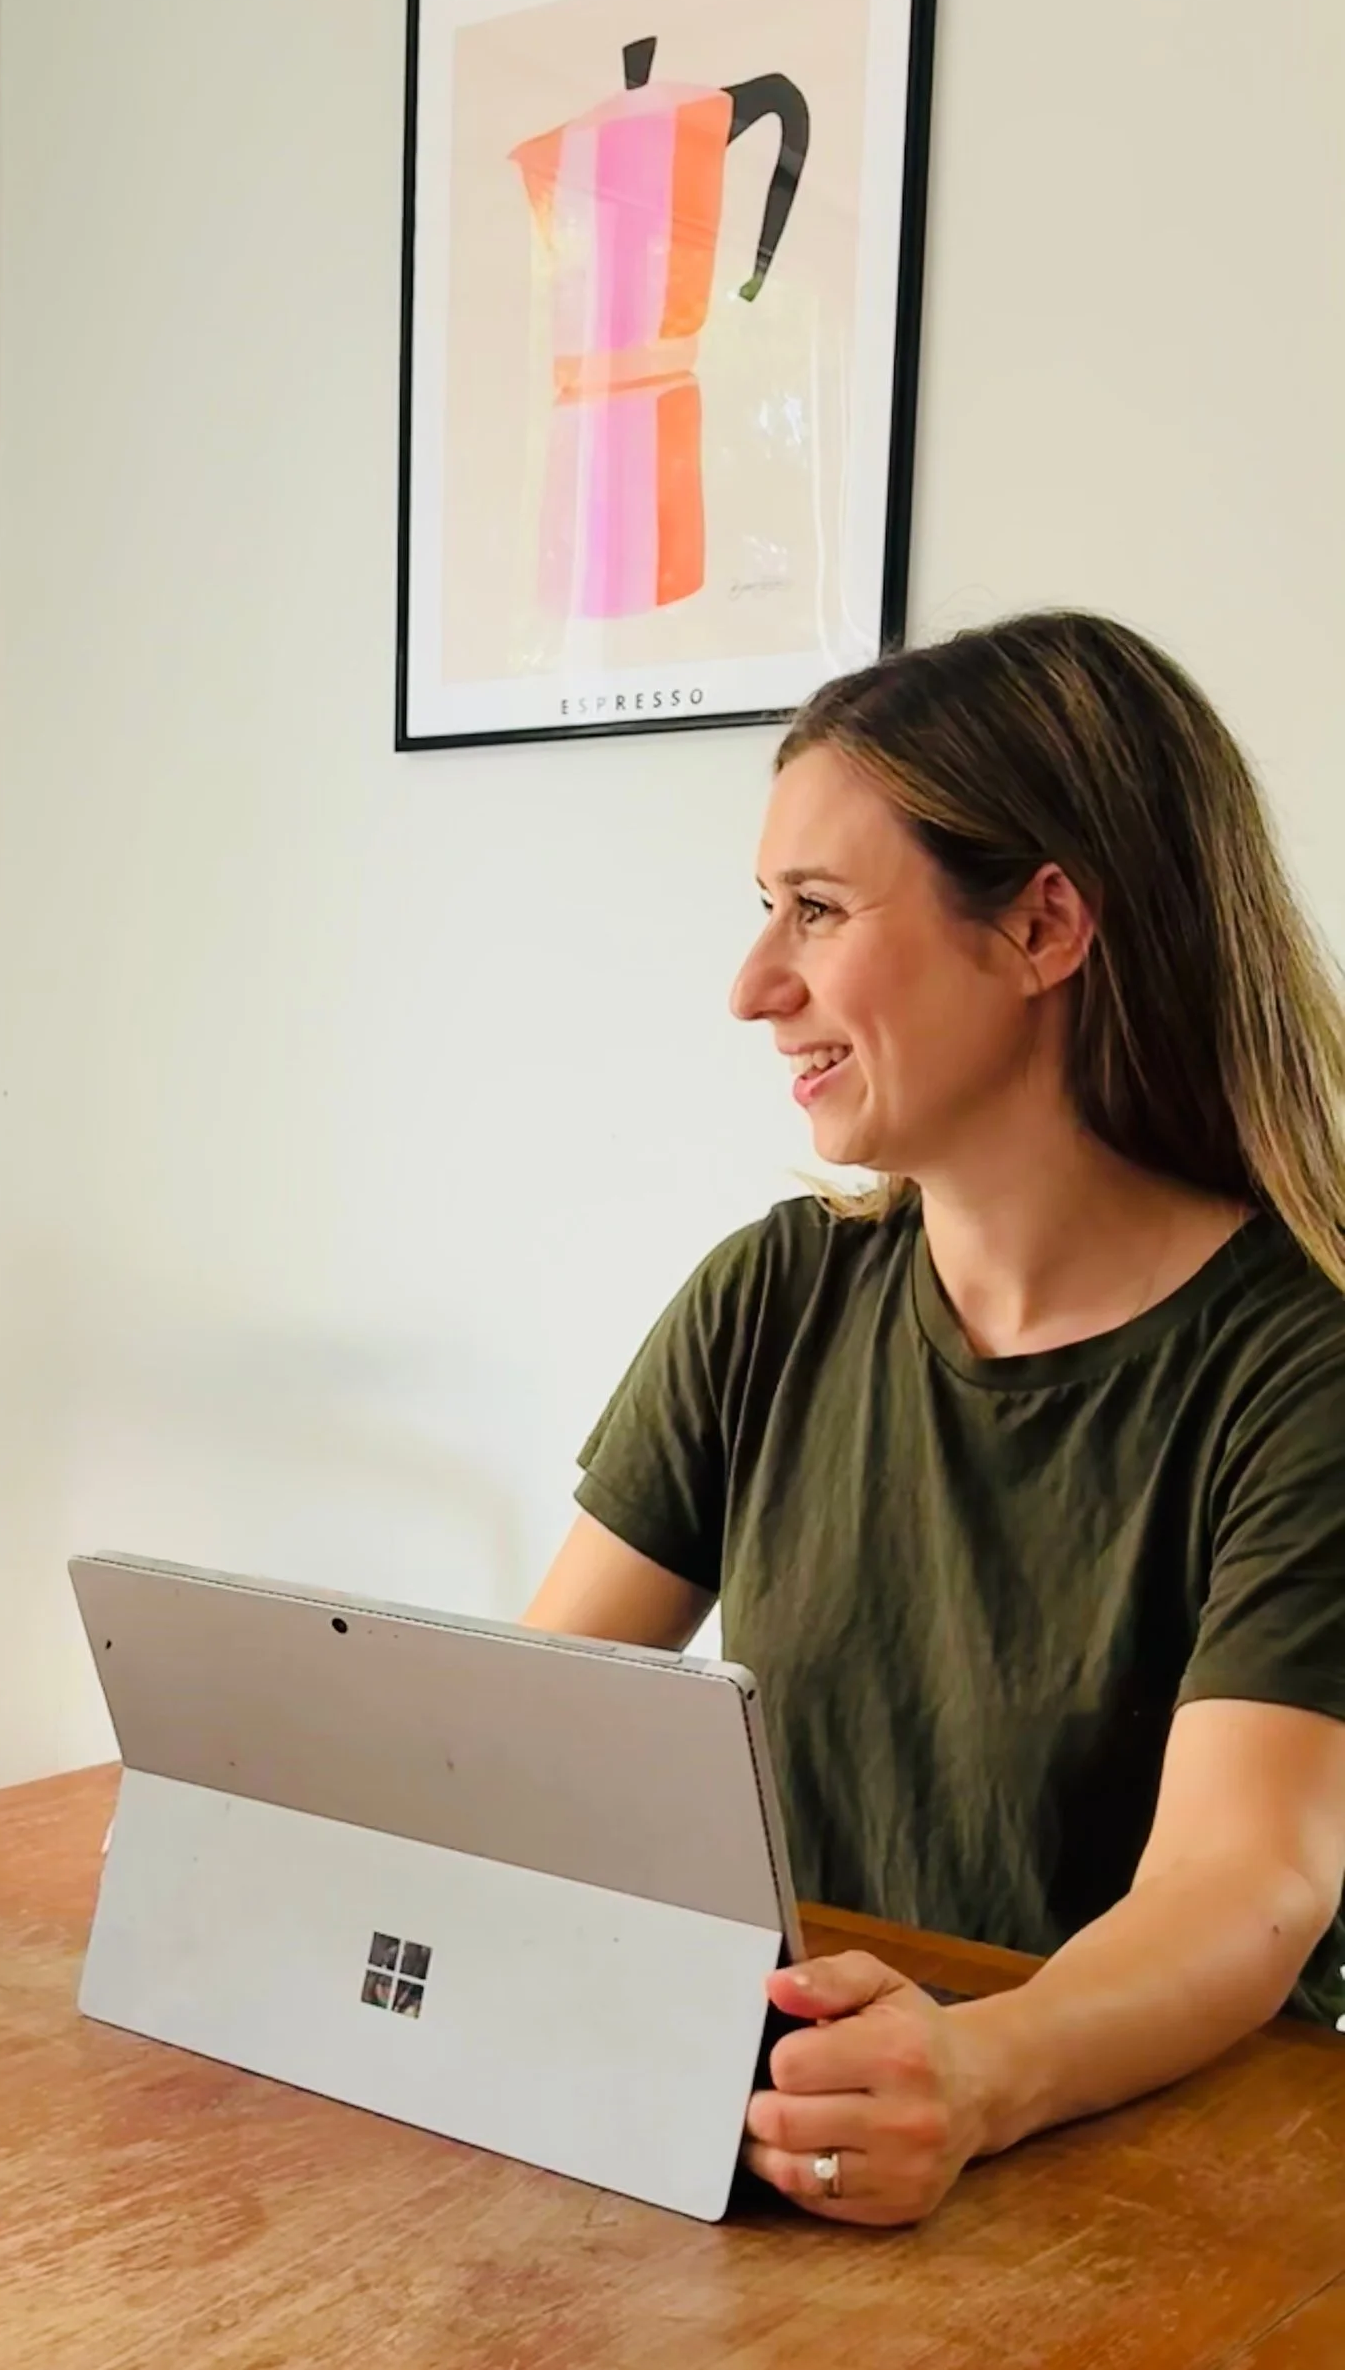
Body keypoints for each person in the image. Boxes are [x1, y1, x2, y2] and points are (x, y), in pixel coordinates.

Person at [524, 610, 1345, 2229]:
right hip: (814, 2160)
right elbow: (536, 1725)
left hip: (1167, 2192)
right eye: (767, 911)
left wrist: (977, 2073)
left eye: (817, 912)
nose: (756, 986)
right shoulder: (772, 1296)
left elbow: (1243, 1885)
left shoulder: (1301, 1374)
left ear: (1043, 926)